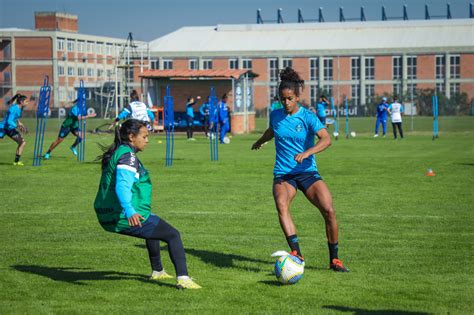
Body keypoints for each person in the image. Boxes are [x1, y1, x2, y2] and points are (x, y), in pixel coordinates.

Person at [251, 67, 349, 272]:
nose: (286, 103)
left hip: (307, 172)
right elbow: (272, 131)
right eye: (282, 99)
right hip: (284, 174)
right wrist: (260, 141)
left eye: (289, 99)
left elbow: (326, 139)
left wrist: (307, 152)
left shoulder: (308, 117)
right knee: (281, 205)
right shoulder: (275, 115)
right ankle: (297, 254)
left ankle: (335, 260)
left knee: (329, 210)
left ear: (297, 97)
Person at [93, 119, 201, 289]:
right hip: (121, 215)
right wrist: (129, 211)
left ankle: (158, 271)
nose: (147, 140)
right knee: (173, 235)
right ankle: (184, 279)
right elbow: (122, 187)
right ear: (131, 136)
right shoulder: (128, 157)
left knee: (154, 224)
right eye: (144, 136)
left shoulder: (119, 151)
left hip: (107, 213)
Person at [0, 93, 28, 166]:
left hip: (10, 129)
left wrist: (19, 123)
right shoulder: (13, 108)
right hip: (3, 127)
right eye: (26, 101)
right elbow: (9, 121)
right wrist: (17, 126)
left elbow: (15, 117)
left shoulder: (20, 108)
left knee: (22, 143)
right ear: (21, 102)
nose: (27, 103)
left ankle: (16, 162)